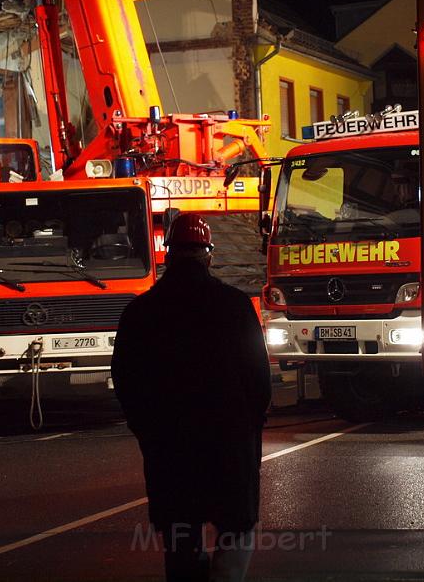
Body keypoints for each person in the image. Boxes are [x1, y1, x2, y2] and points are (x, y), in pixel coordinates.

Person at [111, 214, 271, 582]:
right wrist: (249, 426)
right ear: (208, 255)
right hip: (229, 442)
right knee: (235, 528)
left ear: (168, 255)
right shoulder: (235, 306)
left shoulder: (140, 312)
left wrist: (147, 430)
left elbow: (126, 379)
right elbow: (259, 379)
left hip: (169, 445)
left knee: (180, 537)